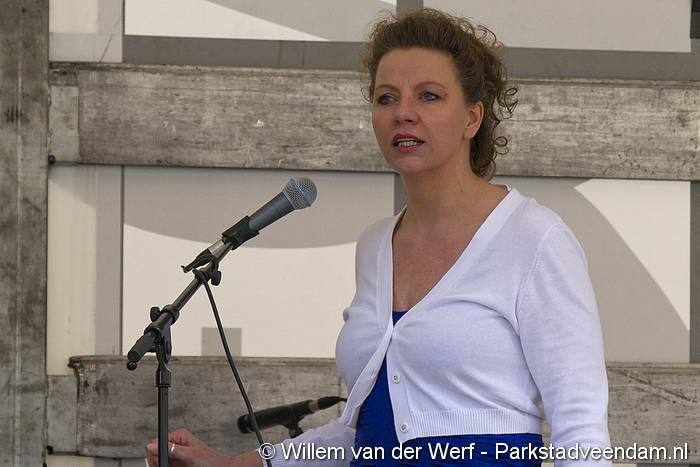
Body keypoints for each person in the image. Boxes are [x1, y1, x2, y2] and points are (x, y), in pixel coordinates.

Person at [146, 7, 611, 467]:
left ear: (472, 118)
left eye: (428, 96)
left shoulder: (534, 237)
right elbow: (361, 432)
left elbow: (580, 426)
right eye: (386, 98)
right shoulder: (375, 245)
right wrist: (231, 465)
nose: (403, 113)